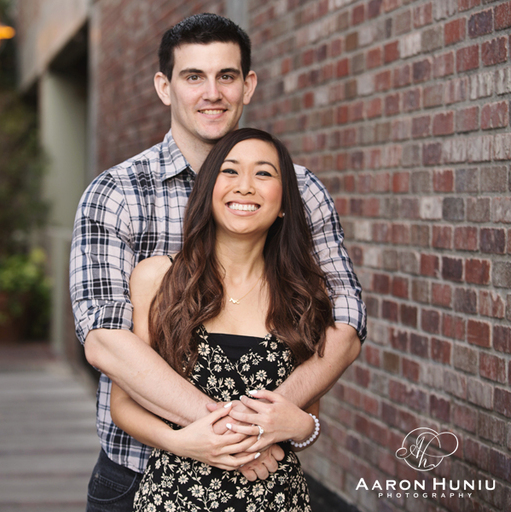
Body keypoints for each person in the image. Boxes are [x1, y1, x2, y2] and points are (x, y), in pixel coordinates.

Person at [70, 13, 366, 512]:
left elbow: (345, 319)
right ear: (165, 87)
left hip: (264, 479)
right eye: (193, 77)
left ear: (247, 84)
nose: (213, 93)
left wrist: (272, 422)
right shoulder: (115, 193)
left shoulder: (298, 189)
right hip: (138, 474)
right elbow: (104, 339)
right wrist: (228, 431)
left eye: (226, 76)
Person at [111, 127, 331, 511]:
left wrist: (303, 429)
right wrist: (179, 442)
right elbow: (123, 404)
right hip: (173, 497)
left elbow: (309, 413)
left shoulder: (304, 294)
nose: (245, 186)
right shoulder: (156, 279)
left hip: (274, 498)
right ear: (208, 191)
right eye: (230, 171)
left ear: (283, 204)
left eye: (264, 173)